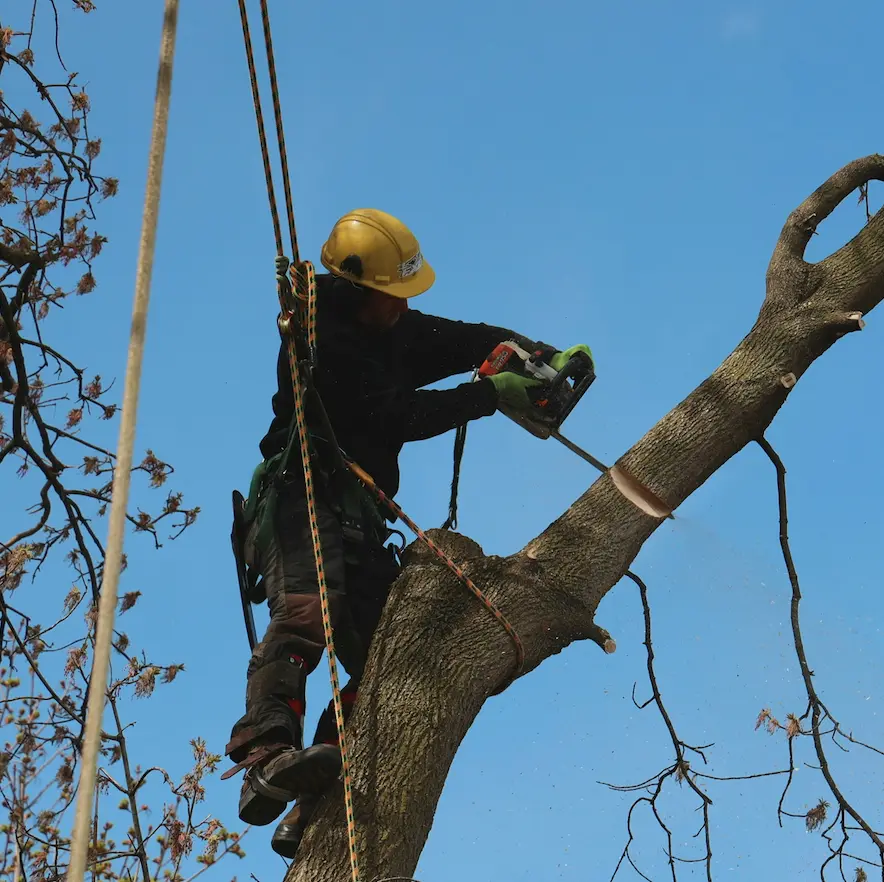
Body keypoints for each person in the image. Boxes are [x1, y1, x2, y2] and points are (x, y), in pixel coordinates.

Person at [223, 208, 591, 858]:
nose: (400, 309)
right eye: (389, 299)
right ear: (359, 290)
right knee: (306, 615)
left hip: (361, 523)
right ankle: (267, 760)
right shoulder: (319, 338)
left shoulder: (391, 325)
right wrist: (488, 394)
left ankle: (318, 798)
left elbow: (466, 339)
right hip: (299, 494)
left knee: (395, 659)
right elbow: (396, 416)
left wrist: (531, 354)